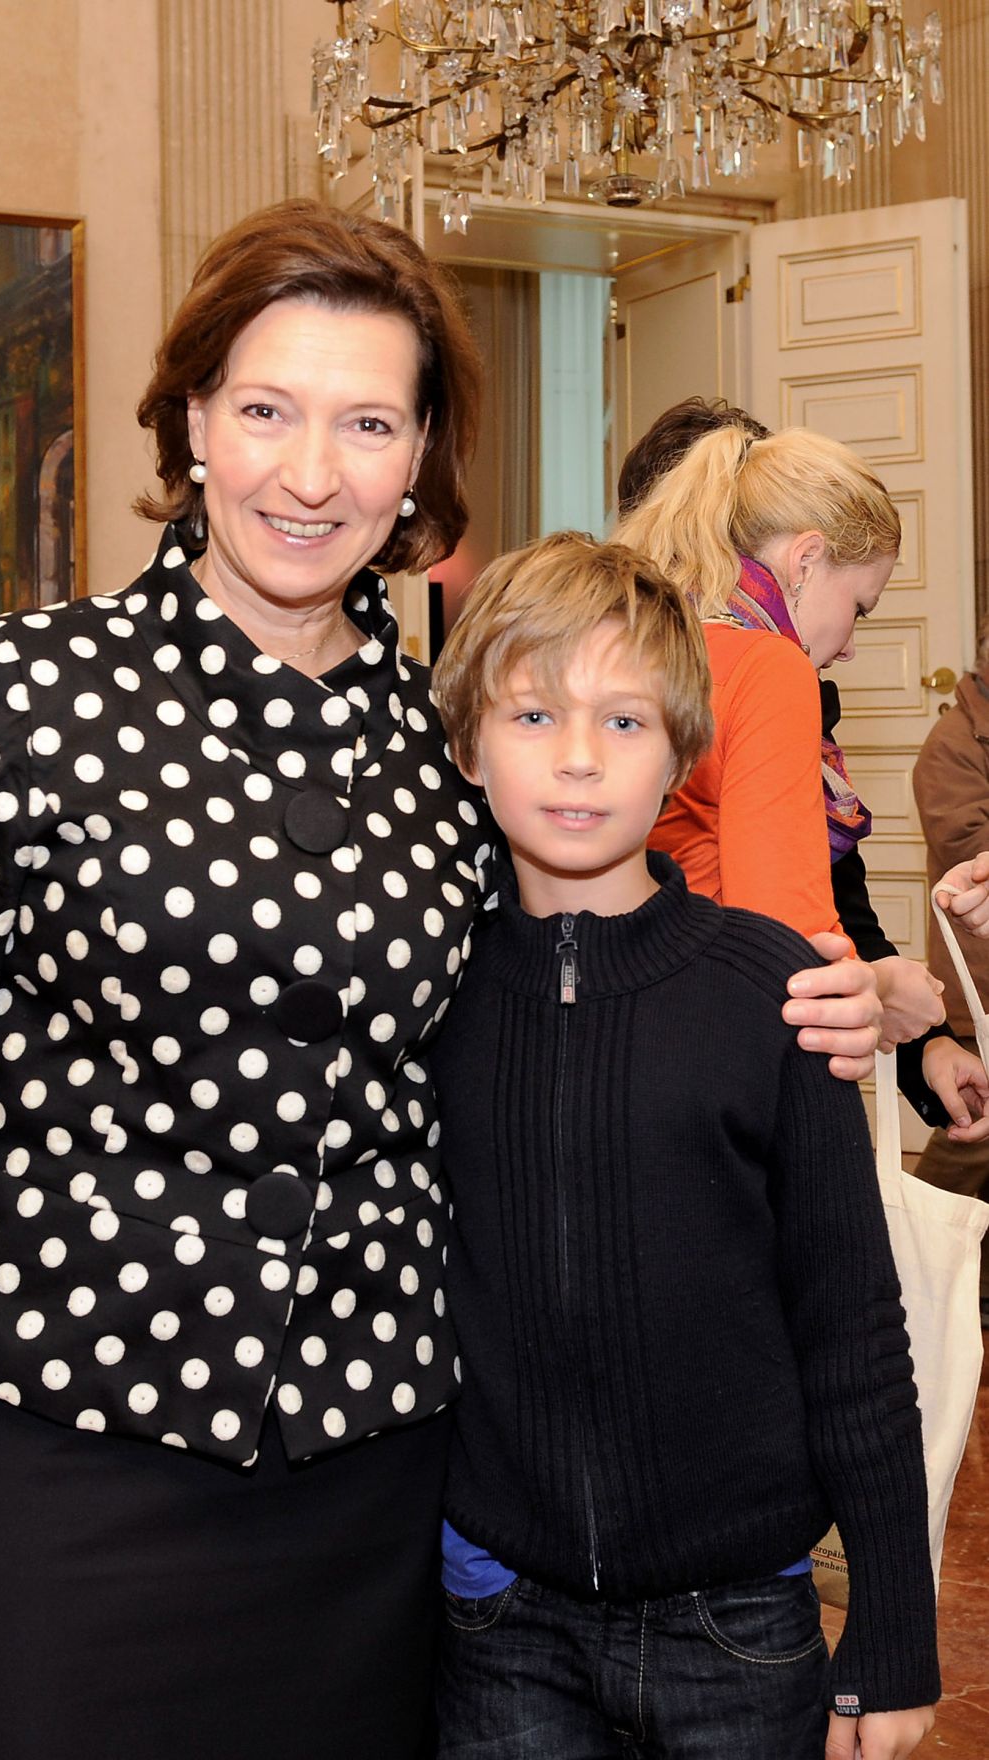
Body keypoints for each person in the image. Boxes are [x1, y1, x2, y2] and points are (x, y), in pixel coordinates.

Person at [0, 202, 880, 1760]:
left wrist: (861, 996)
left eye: (366, 423)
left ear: (418, 463)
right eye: (268, 409)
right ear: (195, 417)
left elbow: (595, 961)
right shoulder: (16, 698)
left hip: (375, 1467)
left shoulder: (441, 742)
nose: (311, 470)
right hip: (63, 1449)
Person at [429, 531, 939, 1760]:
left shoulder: (770, 993)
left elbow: (853, 1324)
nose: (575, 758)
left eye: (623, 722)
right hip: (498, 1614)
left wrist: (895, 1622)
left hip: (741, 1615)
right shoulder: (423, 998)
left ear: (683, 752)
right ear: (466, 740)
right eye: (534, 711)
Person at [616, 418, 989, 1140]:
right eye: (858, 609)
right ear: (806, 559)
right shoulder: (767, 667)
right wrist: (884, 991)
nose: (848, 646)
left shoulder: (656, 639)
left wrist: (920, 1039)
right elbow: (784, 943)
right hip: (736, 1057)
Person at [912, 614, 989, 1322]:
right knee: (972, 1133)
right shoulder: (951, 745)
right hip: (979, 982)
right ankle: (920, 1267)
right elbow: (968, 844)